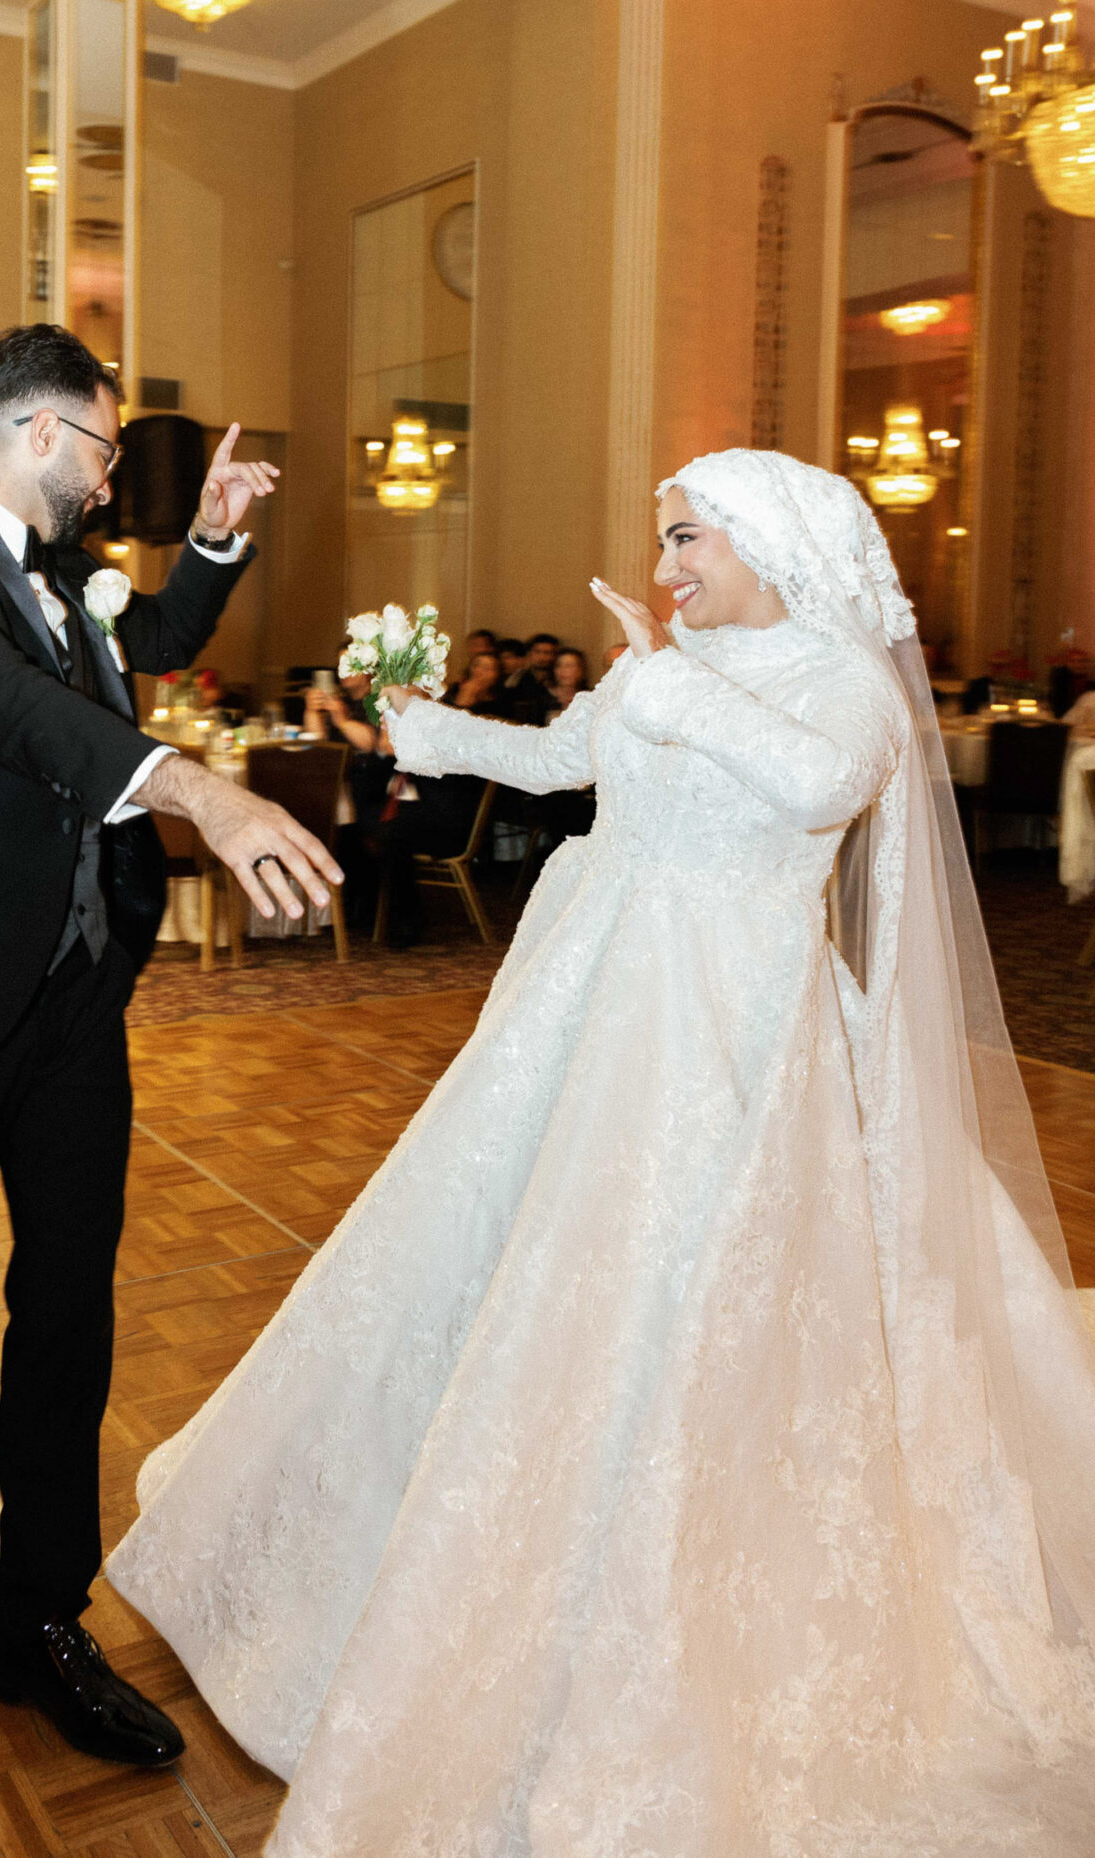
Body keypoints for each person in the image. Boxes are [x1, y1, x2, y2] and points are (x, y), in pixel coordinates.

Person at [108, 448, 1095, 1850]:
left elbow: (821, 788)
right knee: (508, 1255)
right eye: (666, 539)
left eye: (692, 537)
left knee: (683, 1293)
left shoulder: (843, 684)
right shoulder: (662, 657)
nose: (671, 564)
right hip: (594, 995)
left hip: (730, 1026)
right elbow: (561, 762)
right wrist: (425, 725)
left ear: (769, 540)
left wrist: (669, 678)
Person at [0, 325, 340, 1771]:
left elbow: (141, 646)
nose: (106, 482)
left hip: (77, 991)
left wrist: (213, 549)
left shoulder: (65, 572)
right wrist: (198, 793)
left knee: (70, 1297)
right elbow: (1, 702)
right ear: (40, 434)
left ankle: (35, 1616)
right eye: (99, 450)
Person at [503, 630, 559, 724]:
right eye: (537, 652)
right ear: (529, 654)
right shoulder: (516, 679)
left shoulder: (559, 681)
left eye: (547, 653)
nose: (542, 657)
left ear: (554, 655)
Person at [443, 647, 505, 714]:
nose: (479, 671)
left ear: (497, 674)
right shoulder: (456, 688)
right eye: (476, 665)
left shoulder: (500, 701)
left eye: (487, 668)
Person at [545, 643, 587, 715]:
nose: (563, 670)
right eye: (558, 665)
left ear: (580, 670)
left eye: (569, 666)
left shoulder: (588, 698)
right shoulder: (542, 697)